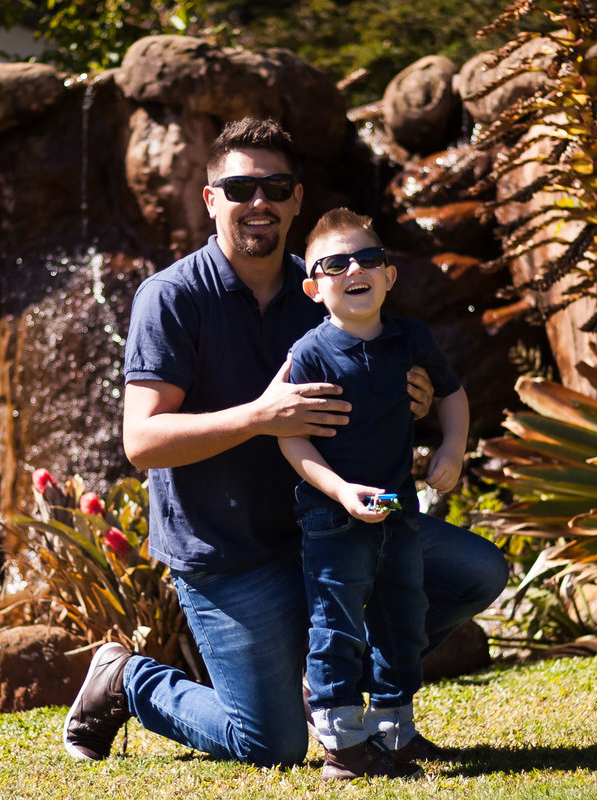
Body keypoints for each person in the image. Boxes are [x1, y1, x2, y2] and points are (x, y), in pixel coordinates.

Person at [62, 117, 508, 772]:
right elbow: (143, 442)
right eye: (240, 188)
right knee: (269, 745)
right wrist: (257, 416)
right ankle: (128, 680)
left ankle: (341, 687)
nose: (259, 202)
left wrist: (409, 398)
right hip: (230, 554)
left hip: (332, 529)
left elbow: (393, 377)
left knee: (476, 571)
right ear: (211, 199)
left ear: (298, 198)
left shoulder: (329, 288)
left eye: (275, 186)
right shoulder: (171, 299)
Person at [281, 208, 470, 780]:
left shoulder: (410, 338)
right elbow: (291, 440)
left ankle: (394, 731)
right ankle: (340, 741)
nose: (353, 269)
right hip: (333, 517)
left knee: (402, 616)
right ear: (314, 288)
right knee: (336, 622)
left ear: (389, 275)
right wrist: (338, 491)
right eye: (334, 264)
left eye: (367, 258)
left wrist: (452, 449)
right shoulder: (310, 353)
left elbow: (452, 394)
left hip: (398, 510)